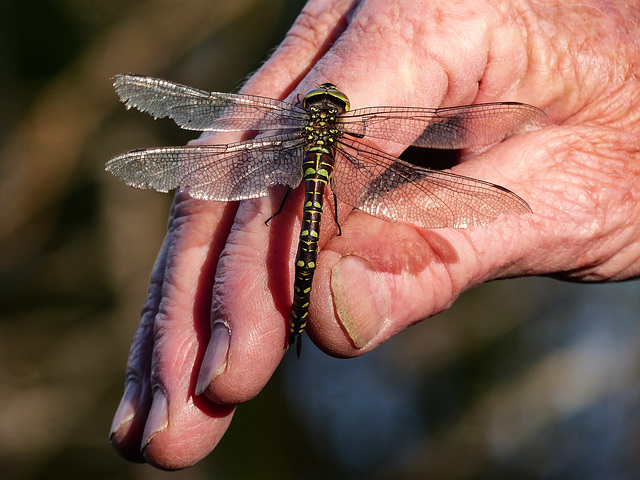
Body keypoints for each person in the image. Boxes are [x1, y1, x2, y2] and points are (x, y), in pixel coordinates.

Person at [108, 0, 640, 470]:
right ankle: (296, 310)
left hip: (299, 189)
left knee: (286, 220)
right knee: (322, 216)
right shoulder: (352, 134)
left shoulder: (288, 128)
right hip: (329, 194)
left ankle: (290, 310)